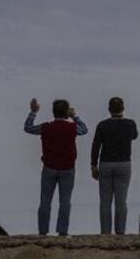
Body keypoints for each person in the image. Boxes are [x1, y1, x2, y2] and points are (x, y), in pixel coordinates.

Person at [23, 97, 88, 236]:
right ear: (66, 112)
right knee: (65, 201)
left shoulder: (46, 127)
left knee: (45, 201)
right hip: (67, 168)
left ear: (53, 112)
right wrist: (75, 116)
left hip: (49, 167)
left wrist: (33, 112)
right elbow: (84, 130)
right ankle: (62, 231)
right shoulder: (72, 127)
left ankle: (43, 231)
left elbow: (28, 128)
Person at [91, 96, 138, 234]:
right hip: (124, 163)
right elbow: (135, 136)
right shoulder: (130, 124)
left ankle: (105, 231)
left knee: (105, 201)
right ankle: (120, 230)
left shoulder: (102, 125)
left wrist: (93, 165)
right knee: (121, 200)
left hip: (106, 163)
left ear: (109, 109)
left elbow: (96, 146)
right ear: (123, 108)